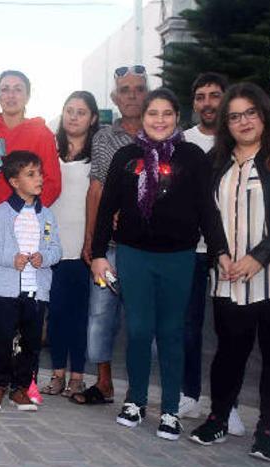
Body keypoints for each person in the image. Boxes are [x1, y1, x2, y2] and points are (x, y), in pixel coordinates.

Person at [91, 88, 227, 441]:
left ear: (176, 117)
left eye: (167, 113)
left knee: (170, 333)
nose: (159, 120)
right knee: (137, 330)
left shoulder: (193, 156)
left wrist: (220, 251)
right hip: (134, 255)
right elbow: (106, 209)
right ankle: (135, 401)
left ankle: (169, 409)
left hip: (180, 258)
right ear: (144, 116)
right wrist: (98, 254)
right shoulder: (126, 156)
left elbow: (207, 210)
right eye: (153, 113)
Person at [189, 82, 270, 461]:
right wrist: (221, 254)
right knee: (228, 352)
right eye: (234, 116)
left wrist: (259, 256)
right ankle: (218, 419)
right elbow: (209, 215)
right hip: (228, 276)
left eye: (250, 113)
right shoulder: (217, 163)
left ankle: (266, 430)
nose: (243, 121)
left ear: (263, 114)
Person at [0, 70, 61, 395]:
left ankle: (23, 378)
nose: (11, 95)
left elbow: (52, 183)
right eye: (5, 89)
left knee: (25, 305)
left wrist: (26, 215)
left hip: (26, 230)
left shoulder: (41, 134)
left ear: (27, 95)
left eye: (18, 89)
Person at [71, 65, 147, 406]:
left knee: (142, 320)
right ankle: (103, 382)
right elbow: (96, 187)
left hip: (147, 249)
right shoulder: (104, 137)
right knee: (100, 314)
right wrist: (91, 239)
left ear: (147, 93)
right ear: (115, 98)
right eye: (125, 90)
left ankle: (139, 388)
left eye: (138, 89)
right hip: (111, 248)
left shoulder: (161, 133)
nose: (132, 95)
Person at [0, 151, 62, 411]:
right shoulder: (0, 213)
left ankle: (21, 388)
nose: (39, 179)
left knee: (31, 342)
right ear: (14, 182)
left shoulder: (47, 216)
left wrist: (44, 258)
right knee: (2, 339)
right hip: (6, 289)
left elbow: (57, 249)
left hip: (35, 291)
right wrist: (9, 258)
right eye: (31, 174)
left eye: (39, 173)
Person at [178, 73, 236, 425]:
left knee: (232, 330)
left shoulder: (240, 139)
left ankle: (226, 405)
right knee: (189, 326)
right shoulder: (181, 141)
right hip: (193, 250)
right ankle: (189, 395)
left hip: (234, 251)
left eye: (215, 95)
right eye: (200, 97)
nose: (208, 103)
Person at [42, 91, 99, 398]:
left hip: (83, 247)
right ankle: (57, 374)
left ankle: (78, 375)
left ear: (92, 118)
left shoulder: (98, 154)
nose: (74, 117)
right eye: (69, 110)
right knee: (57, 314)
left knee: (79, 315)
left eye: (81, 112)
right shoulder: (50, 149)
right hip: (53, 244)